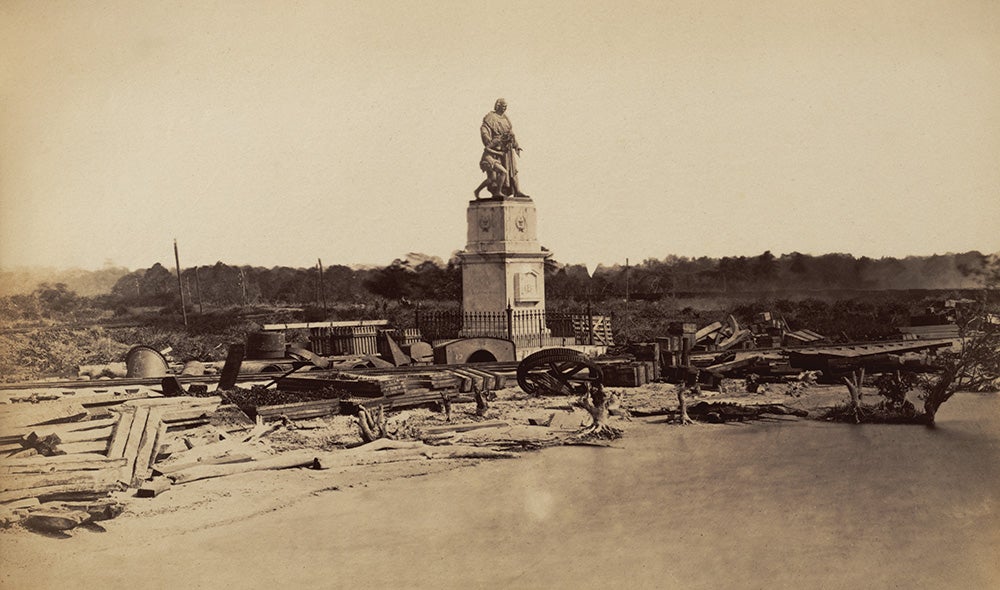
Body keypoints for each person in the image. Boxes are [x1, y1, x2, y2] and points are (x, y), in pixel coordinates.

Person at [475, 98, 528, 199]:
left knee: (513, 170)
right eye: (503, 106)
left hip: (507, 151)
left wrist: (516, 145)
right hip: (495, 151)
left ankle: (517, 191)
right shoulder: (490, 117)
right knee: (495, 176)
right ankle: (497, 191)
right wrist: (488, 139)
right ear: (497, 106)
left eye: (506, 107)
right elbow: (484, 130)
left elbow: (511, 134)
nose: (504, 109)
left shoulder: (506, 119)